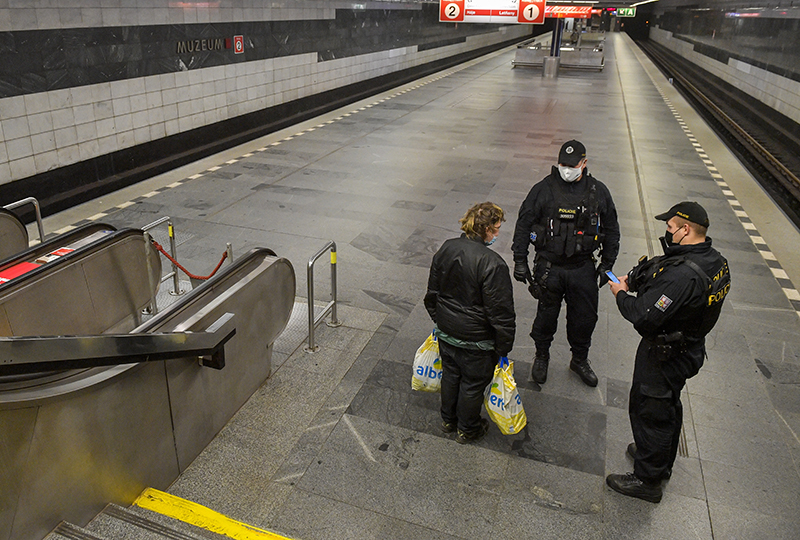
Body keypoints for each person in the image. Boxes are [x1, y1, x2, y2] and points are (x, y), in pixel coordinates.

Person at [606, 201, 731, 503]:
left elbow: (644, 314)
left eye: (670, 227)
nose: (667, 232)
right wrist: (639, 277)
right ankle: (660, 459)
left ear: (686, 229)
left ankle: (647, 479)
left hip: (665, 353)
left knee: (651, 409)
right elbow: (666, 271)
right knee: (669, 405)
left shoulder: (682, 277)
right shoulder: (716, 261)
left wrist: (620, 293)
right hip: (688, 348)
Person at [511, 140, 620, 387]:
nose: (567, 169)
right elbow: (524, 224)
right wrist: (520, 259)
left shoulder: (598, 191)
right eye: (562, 164)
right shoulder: (542, 189)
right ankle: (541, 355)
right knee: (545, 316)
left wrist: (607, 263)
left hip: (582, 268)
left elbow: (612, 229)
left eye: (572, 165)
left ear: (584, 163)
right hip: (549, 267)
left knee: (584, 318)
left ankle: (579, 359)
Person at [424, 202, 516, 444]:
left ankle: (448, 420)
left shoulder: (446, 248)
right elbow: (501, 313)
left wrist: (441, 320)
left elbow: (432, 293)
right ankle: (468, 429)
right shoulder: (493, 263)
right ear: (485, 228)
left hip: (446, 331)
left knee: (451, 375)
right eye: (495, 229)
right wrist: (503, 347)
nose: (497, 234)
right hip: (477, 341)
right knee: (473, 385)